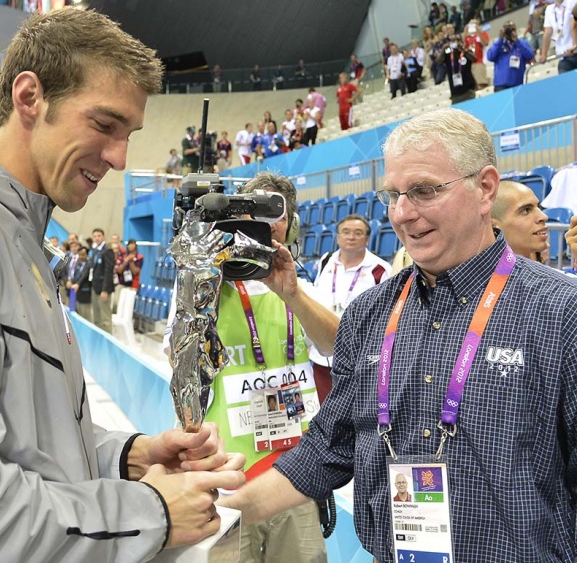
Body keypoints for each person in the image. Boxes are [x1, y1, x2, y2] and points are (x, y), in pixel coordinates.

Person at [0, 10, 245, 562]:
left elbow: (25, 438)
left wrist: (129, 456)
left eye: (128, 135)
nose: (120, 158)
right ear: (30, 98)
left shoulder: (17, 236)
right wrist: (147, 513)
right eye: (104, 125)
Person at [220, 108, 577, 562]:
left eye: (425, 191)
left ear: (485, 188)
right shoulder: (370, 313)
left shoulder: (561, 312)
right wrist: (210, 516)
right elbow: (326, 449)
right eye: (393, 195)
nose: (403, 214)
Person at [164, 172, 340, 563]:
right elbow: (181, 370)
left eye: (276, 211)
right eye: (253, 208)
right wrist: (203, 273)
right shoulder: (203, 283)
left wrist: (292, 294)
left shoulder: (304, 283)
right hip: (228, 475)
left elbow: (337, 345)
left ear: (291, 223)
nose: (265, 220)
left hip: (294, 473)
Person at [309, 214, 391, 402]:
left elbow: (386, 315)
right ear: (338, 237)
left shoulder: (379, 269)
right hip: (322, 356)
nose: (351, 237)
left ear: (367, 239)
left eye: (358, 233)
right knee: (323, 411)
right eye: (346, 232)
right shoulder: (325, 261)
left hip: (358, 358)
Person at [491, 180, 549, 262]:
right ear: (493, 226)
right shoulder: (495, 273)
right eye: (526, 210)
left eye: (538, 207)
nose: (544, 216)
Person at [487, 21, 535, 91]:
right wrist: (500, 39)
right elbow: (490, 56)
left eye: (513, 29)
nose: (510, 32)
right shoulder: (499, 45)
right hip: (501, 85)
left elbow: (530, 56)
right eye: (508, 30)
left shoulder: (522, 43)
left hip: (518, 83)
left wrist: (517, 41)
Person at [538, 0, 577, 73]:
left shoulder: (572, 2)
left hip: (575, 51)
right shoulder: (549, 9)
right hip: (563, 56)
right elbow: (547, 32)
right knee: (565, 79)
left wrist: (574, 46)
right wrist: (543, 54)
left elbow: (574, 25)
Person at [89, 227, 115, 334]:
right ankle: (98, 338)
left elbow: (108, 272)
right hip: (95, 287)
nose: (97, 238)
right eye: (95, 236)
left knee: (105, 318)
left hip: (103, 289)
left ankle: (108, 340)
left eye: (99, 236)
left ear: (103, 237)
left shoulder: (107, 251)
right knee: (96, 316)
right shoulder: (95, 251)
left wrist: (105, 290)